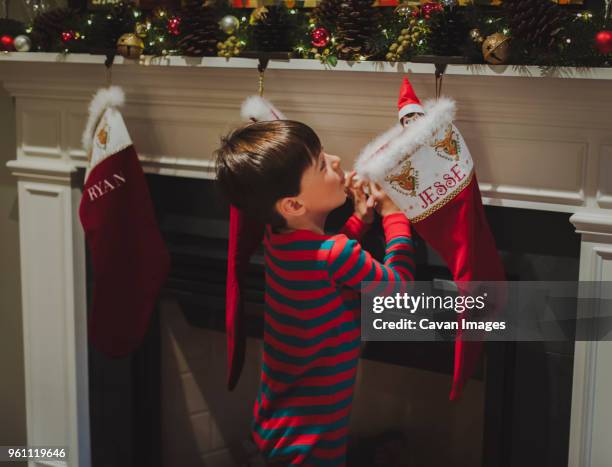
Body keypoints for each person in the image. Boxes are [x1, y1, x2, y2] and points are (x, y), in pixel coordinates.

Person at [214, 119, 415, 466]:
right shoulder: (335, 255)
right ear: (293, 205)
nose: (336, 160)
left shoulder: (276, 240)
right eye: (322, 163)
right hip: (310, 448)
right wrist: (395, 217)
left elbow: (322, 268)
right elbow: (401, 291)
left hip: (275, 429)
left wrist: (359, 222)